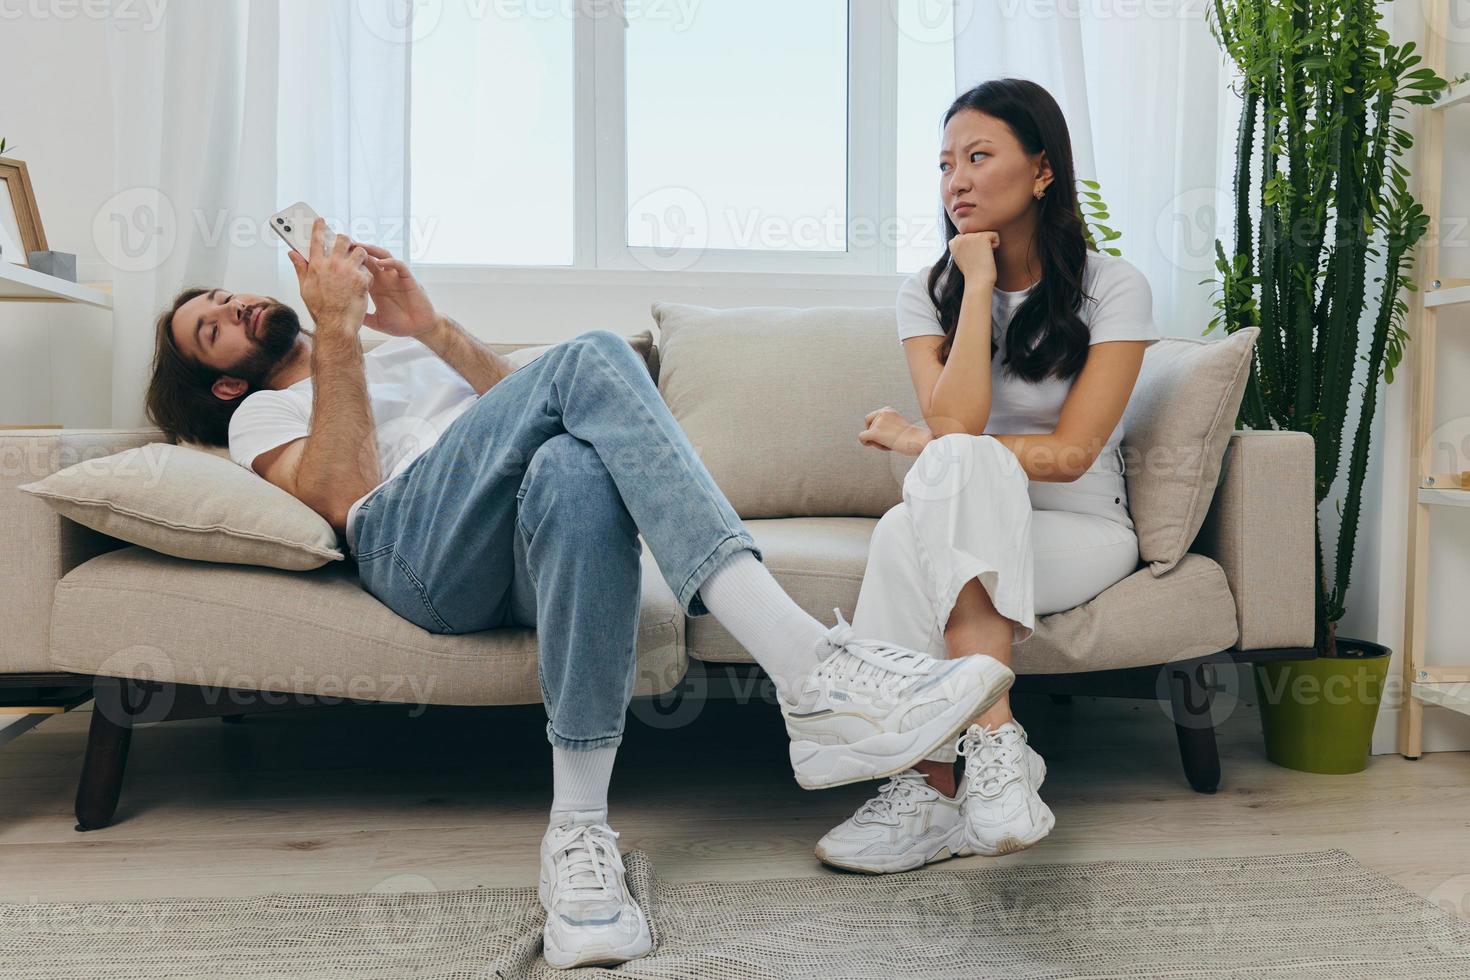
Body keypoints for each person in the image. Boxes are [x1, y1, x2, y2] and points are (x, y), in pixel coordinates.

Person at [143, 220, 1013, 969]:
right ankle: (808, 670)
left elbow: (531, 403)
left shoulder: (403, 346)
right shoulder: (262, 415)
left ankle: (579, 835)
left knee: (573, 465)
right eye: (212, 330)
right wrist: (336, 332)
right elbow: (345, 492)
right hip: (417, 558)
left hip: (515, 547)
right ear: (224, 381)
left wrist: (429, 326)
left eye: (223, 298)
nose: (234, 309)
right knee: (591, 352)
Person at [814, 78, 1162, 875]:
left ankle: (929, 787)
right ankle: (991, 753)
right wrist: (974, 285)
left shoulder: (1113, 288)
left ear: (1042, 170)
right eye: (945, 165)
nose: (956, 182)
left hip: (1076, 529)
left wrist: (918, 442)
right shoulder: (926, 293)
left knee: (936, 490)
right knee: (916, 520)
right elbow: (960, 427)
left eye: (978, 157)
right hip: (961, 513)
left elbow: (1070, 454)